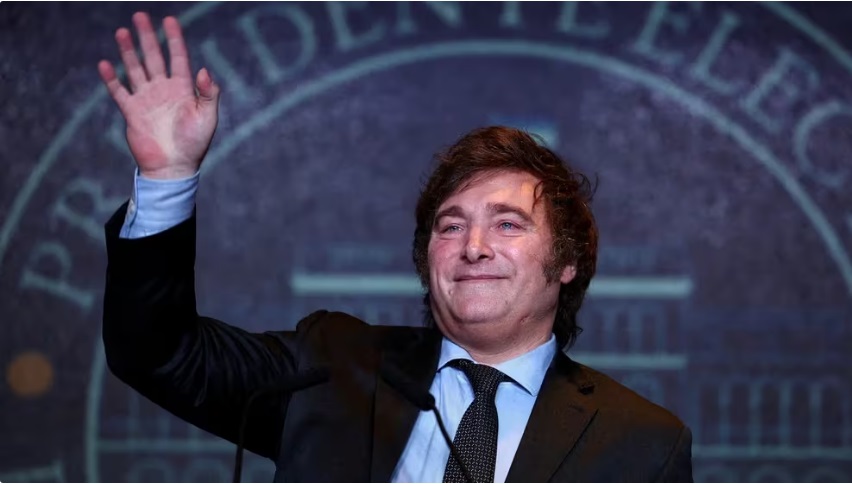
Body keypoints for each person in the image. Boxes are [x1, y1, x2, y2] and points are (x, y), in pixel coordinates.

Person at [99, 11, 693, 483]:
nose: (474, 247)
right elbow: (157, 353)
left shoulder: (643, 443)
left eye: (509, 225)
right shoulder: (333, 367)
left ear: (567, 262)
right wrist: (167, 175)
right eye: (450, 226)